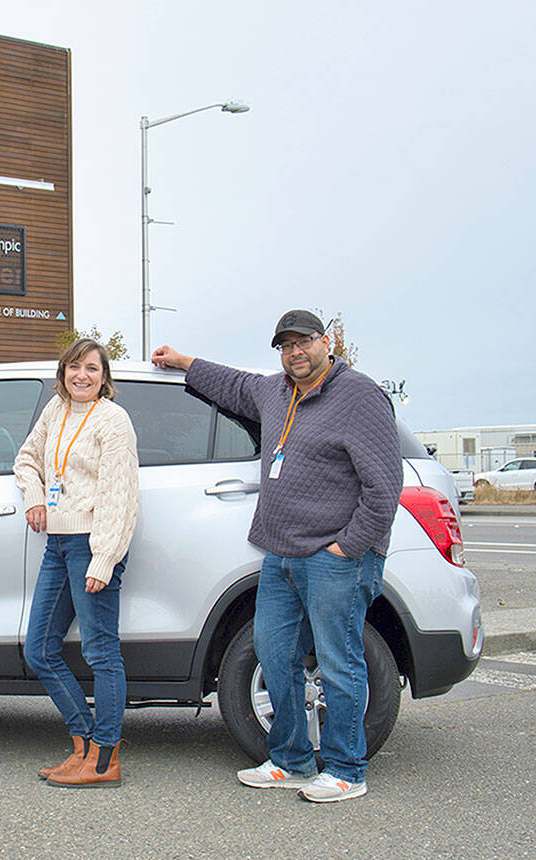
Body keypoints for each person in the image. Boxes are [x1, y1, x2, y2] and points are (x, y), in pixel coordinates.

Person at [151, 309, 402, 803]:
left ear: (326, 342)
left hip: (336, 556)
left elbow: (384, 486)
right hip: (281, 555)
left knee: (338, 661)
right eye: (285, 346)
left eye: (303, 342)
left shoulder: (359, 396)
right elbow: (234, 384)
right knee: (274, 653)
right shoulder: (275, 390)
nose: (295, 353)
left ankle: (348, 771)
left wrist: (346, 546)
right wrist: (184, 362)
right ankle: (291, 760)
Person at [14, 338, 139, 788]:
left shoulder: (113, 420)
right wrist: (34, 497)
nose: (81, 375)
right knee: (40, 649)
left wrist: (104, 557)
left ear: (104, 377)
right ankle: (83, 745)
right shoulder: (55, 410)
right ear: (63, 372)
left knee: (100, 651)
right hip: (58, 543)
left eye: (91, 368)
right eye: (73, 367)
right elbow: (26, 460)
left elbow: (119, 494)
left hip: (92, 543)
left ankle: (106, 760)